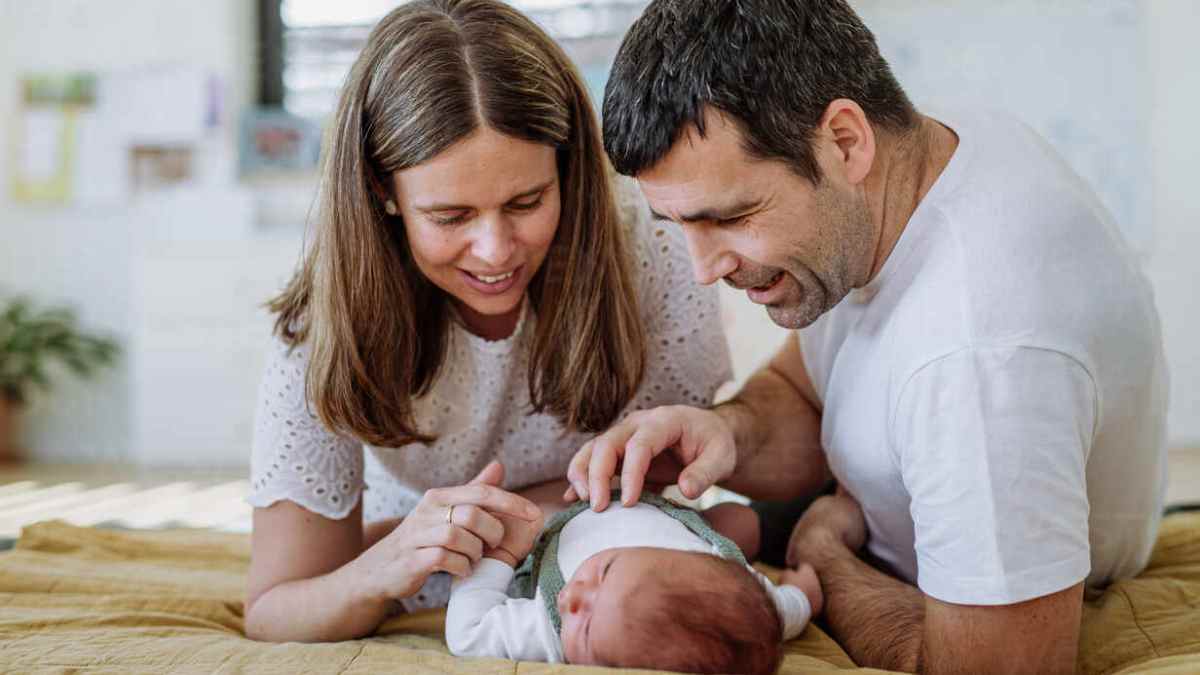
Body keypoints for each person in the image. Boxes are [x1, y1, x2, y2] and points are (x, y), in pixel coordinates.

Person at [570, 1, 1169, 673]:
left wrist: (823, 552)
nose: (704, 268)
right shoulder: (924, 154)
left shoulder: (980, 356)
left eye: (731, 217)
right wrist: (727, 433)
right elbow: (808, 389)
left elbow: (992, 668)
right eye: (679, 224)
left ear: (845, 141)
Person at [243, 0, 730, 643]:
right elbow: (277, 607)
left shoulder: (658, 251)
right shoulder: (328, 318)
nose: (496, 252)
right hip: (425, 556)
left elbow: (666, 493)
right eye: (450, 217)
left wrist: (513, 520)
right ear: (383, 192)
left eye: (527, 201)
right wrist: (385, 562)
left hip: (601, 570)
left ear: (567, 169)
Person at [445, 488, 820, 674]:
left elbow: (469, 634)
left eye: (585, 631)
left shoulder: (548, 630)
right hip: (663, 510)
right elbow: (786, 609)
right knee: (735, 517)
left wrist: (500, 556)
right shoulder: (738, 591)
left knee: (525, 514)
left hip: (558, 521)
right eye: (605, 571)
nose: (574, 596)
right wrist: (803, 590)